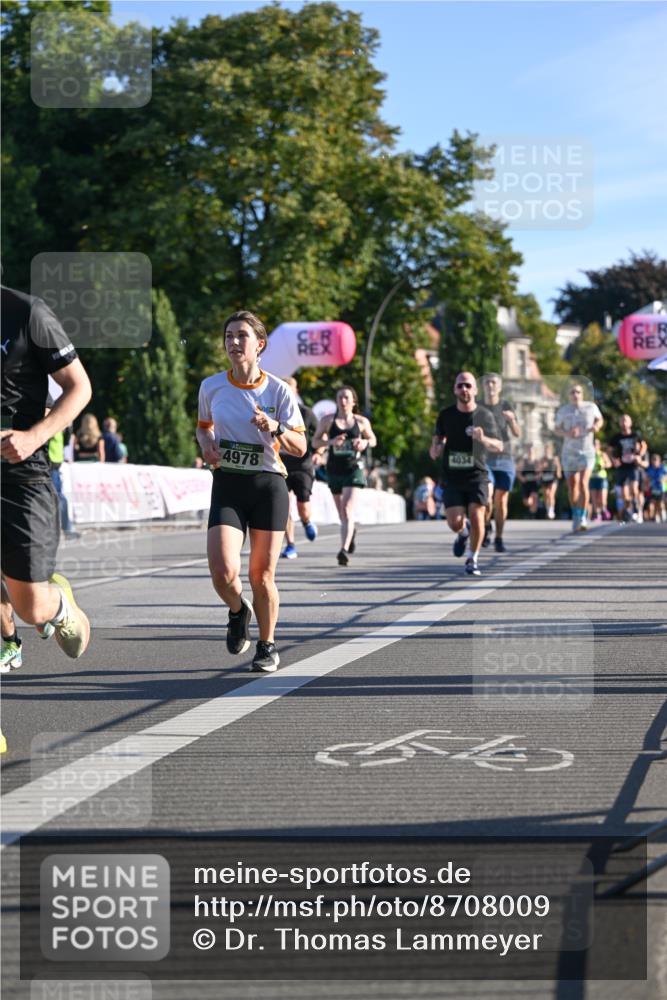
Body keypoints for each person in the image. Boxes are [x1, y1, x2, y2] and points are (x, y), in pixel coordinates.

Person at [196, 310, 306, 673]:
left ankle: (267, 645)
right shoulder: (211, 386)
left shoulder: (278, 390)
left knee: (261, 576)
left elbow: (300, 447)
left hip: (267, 486)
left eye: (241, 335)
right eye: (229, 336)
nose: (233, 342)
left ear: (259, 344)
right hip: (228, 483)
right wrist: (207, 445)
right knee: (222, 571)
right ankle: (237, 610)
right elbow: (203, 427)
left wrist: (275, 427)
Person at [1, 284, 93, 691]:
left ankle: (56, 606)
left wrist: (33, 436)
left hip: (20, 473)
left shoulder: (27, 313)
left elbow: (80, 387)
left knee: (31, 608)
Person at [429, 372, 503, 577]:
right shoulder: (446, 415)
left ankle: (473, 558)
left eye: (468, 386)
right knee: (454, 522)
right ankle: (463, 533)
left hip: (477, 475)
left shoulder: (484, 416)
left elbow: (499, 445)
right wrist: (435, 448)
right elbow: (437, 438)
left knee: (477, 515)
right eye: (460, 385)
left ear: (475, 390)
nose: (464, 389)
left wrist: (483, 438)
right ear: (455, 389)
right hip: (452, 476)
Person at [311, 386, 376, 566]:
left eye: (347, 397)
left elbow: (373, 440)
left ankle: (343, 550)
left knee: (347, 509)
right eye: (340, 397)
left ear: (353, 401)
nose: (343, 401)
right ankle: (350, 532)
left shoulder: (361, 421)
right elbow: (315, 441)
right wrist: (331, 441)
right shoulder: (327, 421)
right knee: (342, 513)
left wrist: (364, 442)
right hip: (334, 470)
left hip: (353, 469)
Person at [280, 377, 320, 559]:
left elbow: (320, 435)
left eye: (290, 389)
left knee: (302, 506)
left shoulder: (306, 413)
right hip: (280, 465)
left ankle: (306, 521)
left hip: (303, 466)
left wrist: (319, 452)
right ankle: (290, 545)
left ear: (296, 391)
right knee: (284, 506)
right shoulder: (274, 412)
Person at [554, 383, 603, 531]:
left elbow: (600, 419)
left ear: (582, 394)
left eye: (578, 392)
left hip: (587, 451)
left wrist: (597, 426)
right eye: (572, 392)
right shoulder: (564, 411)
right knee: (572, 485)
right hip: (569, 452)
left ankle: (582, 516)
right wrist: (567, 433)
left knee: (583, 483)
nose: (575, 395)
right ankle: (575, 513)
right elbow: (556, 429)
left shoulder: (591, 407)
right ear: (569, 395)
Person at [480, 373, 519, 552]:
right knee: (487, 496)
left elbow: (517, 433)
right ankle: (486, 525)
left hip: (504, 458)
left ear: (500, 387)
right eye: (487, 382)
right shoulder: (478, 407)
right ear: (483, 386)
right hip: (484, 458)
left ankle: (499, 537)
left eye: (494, 382)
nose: (490, 385)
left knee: (501, 501)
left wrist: (512, 420)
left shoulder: (506, 406)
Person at [608, 414, 648, 523]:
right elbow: (609, 450)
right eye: (622, 421)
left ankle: (638, 511)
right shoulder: (617, 437)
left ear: (630, 423)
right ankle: (629, 512)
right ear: (619, 423)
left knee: (634, 489)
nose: (624, 423)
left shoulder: (635, 435)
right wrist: (613, 460)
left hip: (633, 466)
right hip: (621, 467)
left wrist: (639, 455)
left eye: (626, 420)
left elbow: (644, 445)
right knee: (624, 494)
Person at [589, 438, 612, 521]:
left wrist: (603, 466)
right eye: (593, 444)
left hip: (602, 478)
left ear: (599, 446)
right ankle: (597, 514)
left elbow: (609, 464)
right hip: (592, 478)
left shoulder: (602, 454)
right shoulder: (589, 455)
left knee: (602, 498)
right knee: (594, 498)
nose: (595, 446)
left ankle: (604, 510)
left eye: (596, 444)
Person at [538, 442, 562, 520]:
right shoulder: (542, 459)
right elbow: (538, 470)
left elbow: (558, 467)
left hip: (553, 478)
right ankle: (548, 509)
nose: (547, 450)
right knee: (546, 494)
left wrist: (558, 472)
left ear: (551, 449)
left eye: (548, 448)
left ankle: (551, 510)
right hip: (545, 478)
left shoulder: (555, 458)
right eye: (546, 449)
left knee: (551, 494)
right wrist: (542, 467)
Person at [516, 444, 541, 517]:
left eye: (532, 451)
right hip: (526, 484)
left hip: (534, 483)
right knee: (527, 502)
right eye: (529, 451)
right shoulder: (523, 461)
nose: (530, 452)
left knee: (534, 497)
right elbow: (518, 472)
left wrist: (537, 476)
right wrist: (522, 478)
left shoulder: (537, 462)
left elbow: (540, 473)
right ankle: (531, 511)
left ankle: (533, 514)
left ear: (534, 451)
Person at [644, 453, 667, 523]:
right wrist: (647, 485)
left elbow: (665, 476)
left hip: (660, 489)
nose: (654, 462)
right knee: (651, 503)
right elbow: (647, 478)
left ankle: (662, 514)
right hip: (652, 488)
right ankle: (653, 517)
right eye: (653, 460)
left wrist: (663, 479)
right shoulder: (650, 469)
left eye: (656, 460)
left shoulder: (662, 468)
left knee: (660, 504)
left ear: (659, 461)